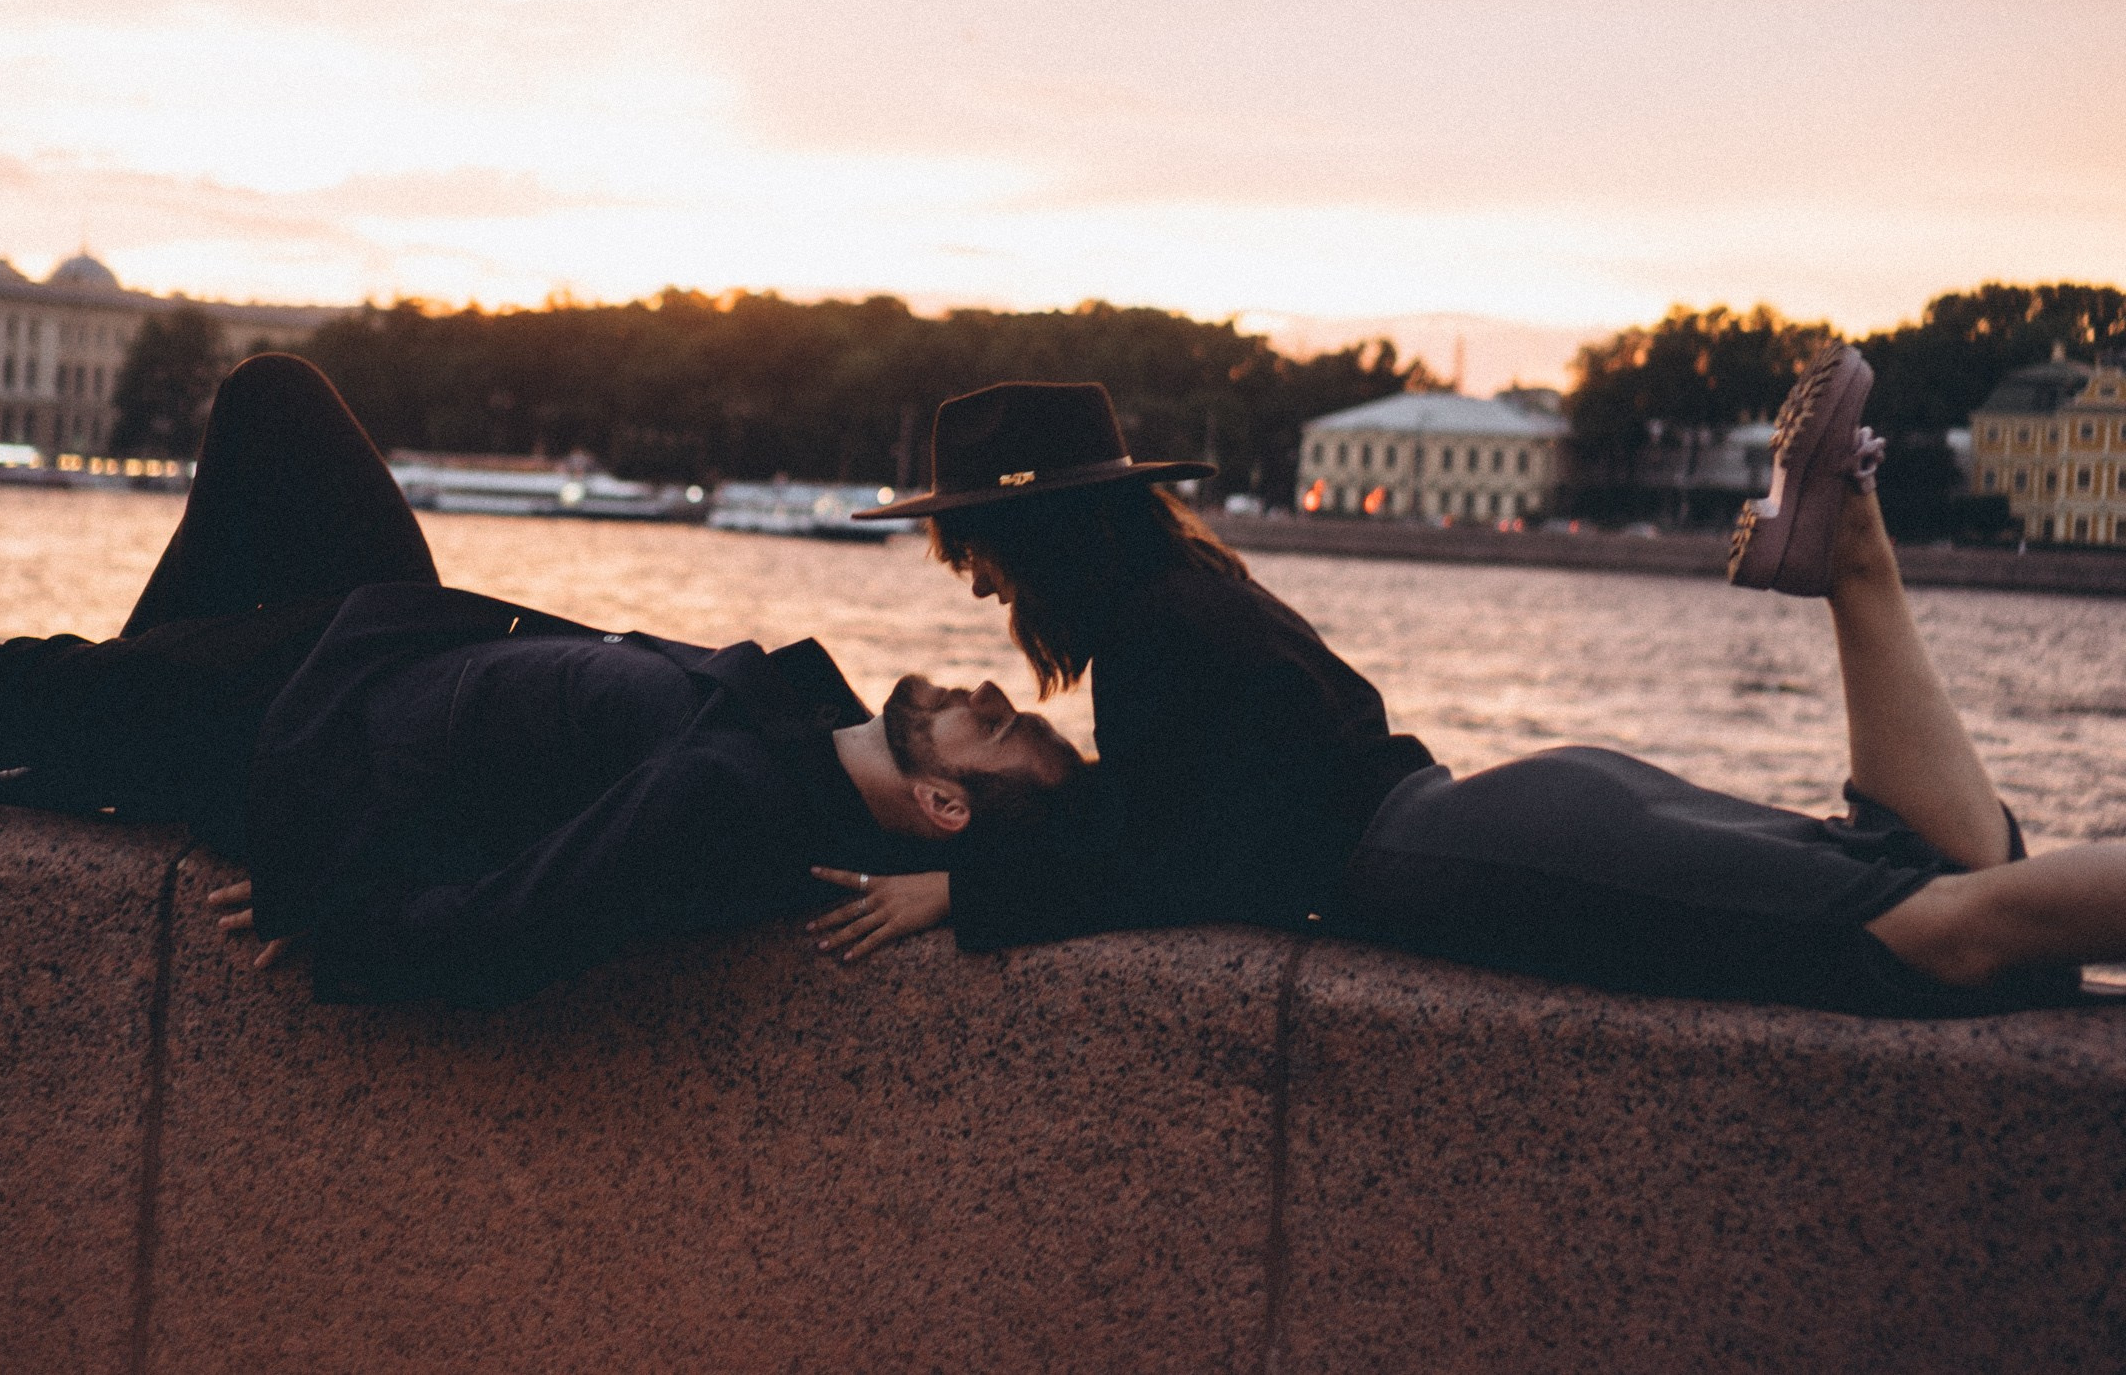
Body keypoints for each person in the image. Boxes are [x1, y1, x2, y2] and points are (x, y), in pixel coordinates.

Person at [0, 354, 1084, 1009]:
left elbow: (523, 920)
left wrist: (340, 913)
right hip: (394, 643)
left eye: (996, 725)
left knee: (38, 680)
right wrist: (977, 885)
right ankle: (101, 750)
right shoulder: (803, 733)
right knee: (275, 404)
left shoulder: (739, 802)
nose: (982, 688)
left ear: (946, 803)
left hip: (313, 741)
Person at [818, 351, 2125, 1017]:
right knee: (1938, 873)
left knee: (1951, 930)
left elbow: (1185, 869)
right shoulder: (1193, 599)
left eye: (975, 553)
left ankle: (1849, 554)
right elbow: (1170, 831)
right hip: (1504, 815)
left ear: (1033, 538)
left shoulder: (1153, 641)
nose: (979, 588)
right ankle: (1854, 562)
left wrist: (967, 888)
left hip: (1476, 859)